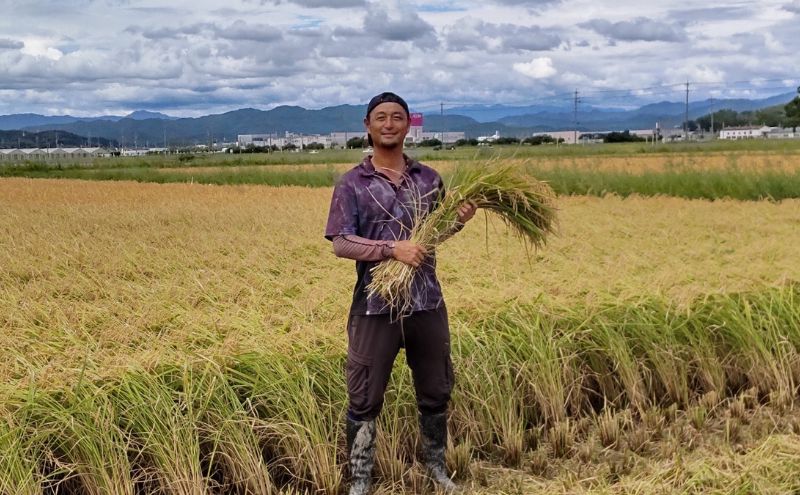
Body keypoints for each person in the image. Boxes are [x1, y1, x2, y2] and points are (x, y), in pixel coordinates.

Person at [325, 92, 476, 495]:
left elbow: (434, 235)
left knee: (435, 388)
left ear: (408, 125)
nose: (389, 124)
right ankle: (360, 482)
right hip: (374, 307)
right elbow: (341, 242)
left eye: (397, 117)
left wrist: (458, 222)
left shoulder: (429, 179)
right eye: (380, 118)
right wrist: (392, 250)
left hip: (426, 302)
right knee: (364, 395)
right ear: (368, 126)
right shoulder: (352, 184)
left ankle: (436, 470)